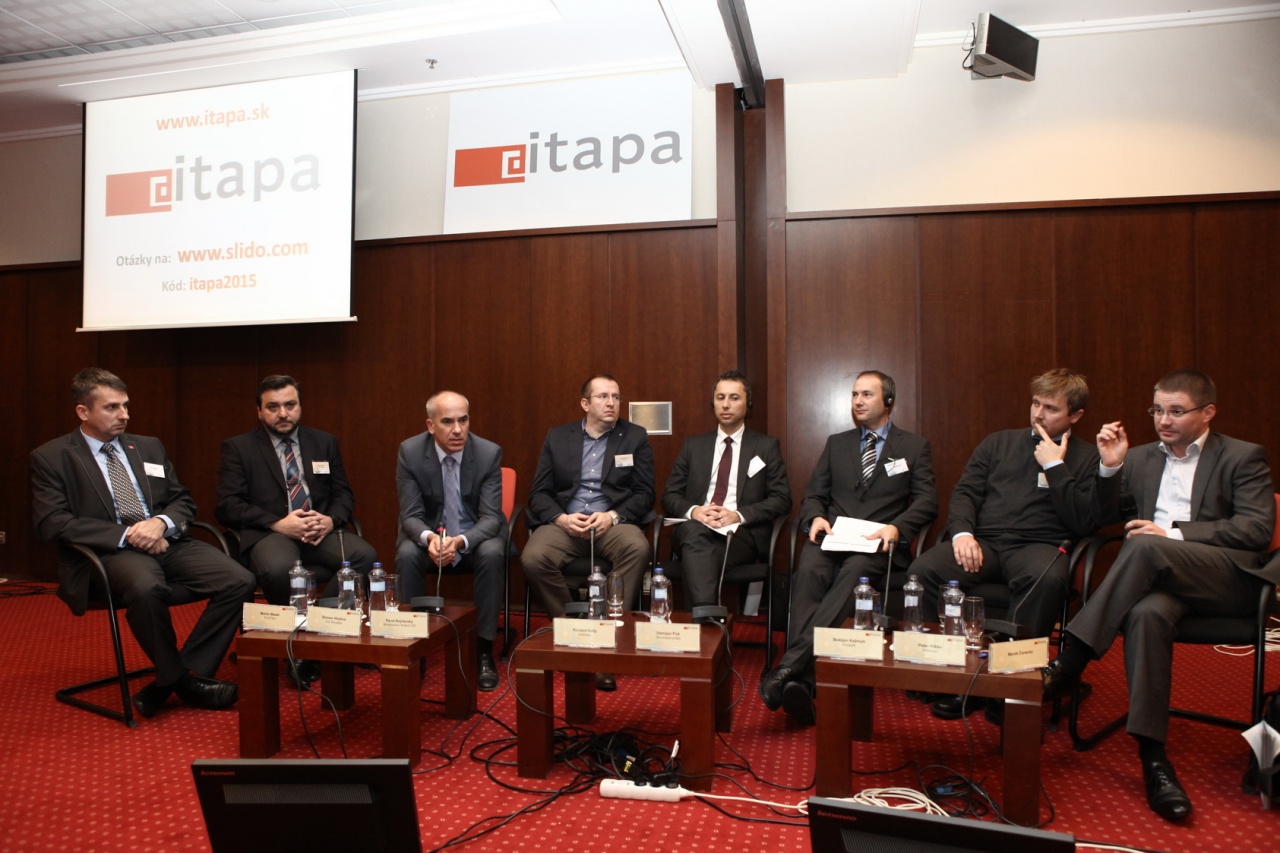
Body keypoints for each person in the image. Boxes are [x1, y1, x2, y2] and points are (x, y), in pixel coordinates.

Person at [1042, 370, 1277, 822]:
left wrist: (1173, 534)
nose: (1163, 420)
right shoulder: (1141, 458)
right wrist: (1111, 467)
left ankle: (1070, 662)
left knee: (1146, 545)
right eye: (1157, 410)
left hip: (1226, 580)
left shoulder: (1242, 456)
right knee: (1146, 614)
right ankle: (1154, 759)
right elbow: (1100, 518)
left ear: (1207, 412)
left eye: (1176, 411)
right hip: (1160, 584)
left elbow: (1255, 529)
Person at [30, 368, 254, 718]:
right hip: (108, 553)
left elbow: (182, 500)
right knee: (147, 587)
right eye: (112, 407)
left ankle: (177, 676)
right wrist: (129, 534)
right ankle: (184, 682)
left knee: (239, 579)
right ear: (83, 411)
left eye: (126, 406)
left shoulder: (148, 446)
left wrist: (159, 524)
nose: (124, 415)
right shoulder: (52, 456)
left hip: (166, 541)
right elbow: (52, 523)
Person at [915, 368, 1101, 722]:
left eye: (1051, 408)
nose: (1038, 414)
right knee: (924, 570)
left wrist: (1056, 467)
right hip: (984, 543)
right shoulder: (998, 443)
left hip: (1039, 547)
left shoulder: (1087, 457)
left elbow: (1083, 521)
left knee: (1046, 580)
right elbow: (965, 493)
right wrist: (962, 533)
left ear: (1075, 416)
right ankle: (951, 679)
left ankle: (1009, 686)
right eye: (1035, 403)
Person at [759, 370, 936, 724]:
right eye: (855, 394)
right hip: (834, 536)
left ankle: (791, 670)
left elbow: (927, 501)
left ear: (888, 401)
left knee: (854, 574)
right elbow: (814, 494)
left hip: (875, 545)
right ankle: (801, 681)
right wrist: (815, 518)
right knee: (809, 571)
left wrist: (897, 527)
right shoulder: (836, 443)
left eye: (867, 394)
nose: (858, 401)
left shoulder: (913, 447)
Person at [215, 374, 375, 685]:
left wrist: (331, 520)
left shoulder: (324, 442)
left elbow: (344, 494)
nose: (283, 413)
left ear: (300, 406)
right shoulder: (239, 448)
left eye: (290, 405)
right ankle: (305, 648)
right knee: (280, 570)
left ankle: (318, 638)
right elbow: (227, 505)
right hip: (271, 533)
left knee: (364, 556)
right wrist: (276, 522)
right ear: (259, 411)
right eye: (273, 407)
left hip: (320, 531)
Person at [522, 374, 655, 691]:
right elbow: (539, 493)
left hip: (611, 524)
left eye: (616, 397)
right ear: (585, 403)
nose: (611, 403)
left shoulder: (634, 437)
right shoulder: (558, 437)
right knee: (533, 558)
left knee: (637, 548)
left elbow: (645, 493)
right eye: (603, 397)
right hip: (567, 523)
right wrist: (561, 518)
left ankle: (607, 643)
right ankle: (573, 629)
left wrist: (612, 516)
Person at [395, 391, 506, 691]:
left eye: (463, 420)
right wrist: (431, 538)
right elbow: (410, 515)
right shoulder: (410, 452)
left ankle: (483, 650)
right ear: (430, 426)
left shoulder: (488, 453)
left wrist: (459, 541)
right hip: (431, 535)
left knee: (493, 552)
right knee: (407, 553)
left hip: (473, 537)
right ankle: (413, 650)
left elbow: (491, 518)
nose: (457, 430)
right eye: (447, 422)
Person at [661, 370, 791, 610]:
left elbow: (782, 499)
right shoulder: (694, 445)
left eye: (734, 397)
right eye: (720, 397)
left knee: (697, 561)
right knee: (695, 535)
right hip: (694, 528)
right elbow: (669, 495)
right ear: (713, 403)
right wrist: (695, 511)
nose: (726, 404)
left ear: (748, 404)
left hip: (740, 534)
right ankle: (707, 618)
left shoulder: (765, 446)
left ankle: (702, 621)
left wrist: (737, 515)